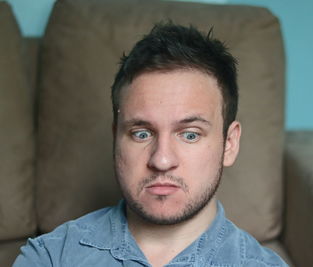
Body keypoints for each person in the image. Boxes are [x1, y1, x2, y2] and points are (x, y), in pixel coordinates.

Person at [13, 23, 288, 267]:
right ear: (116, 138)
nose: (162, 160)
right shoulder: (50, 257)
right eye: (141, 133)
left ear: (229, 144)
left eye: (190, 134)